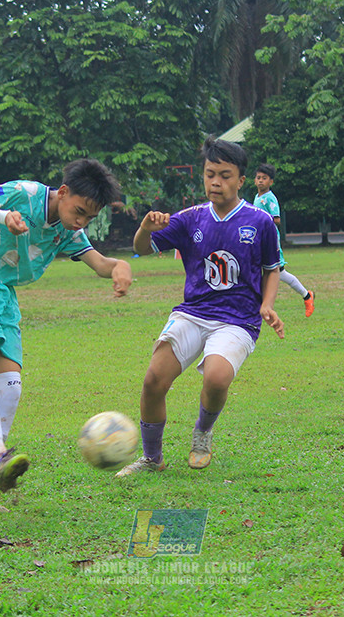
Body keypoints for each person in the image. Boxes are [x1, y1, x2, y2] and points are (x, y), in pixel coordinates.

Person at [0, 160, 133, 511]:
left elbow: (99, 263)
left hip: (3, 296)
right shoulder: (24, 193)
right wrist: (2, 216)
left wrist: (119, 266)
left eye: (90, 218)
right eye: (79, 211)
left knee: (10, 387)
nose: (81, 222)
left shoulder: (69, 232)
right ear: (63, 192)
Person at [115, 138, 285, 477]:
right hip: (192, 313)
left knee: (217, 377)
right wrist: (145, 228)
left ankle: (203, 433)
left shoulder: (260, 221)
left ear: (241, 180)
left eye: (225, 175)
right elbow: (142, 248)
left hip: (238, 320)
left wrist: (267, 305)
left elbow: (272, 268)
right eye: (210, 175)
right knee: (153, 379)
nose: (215, 182)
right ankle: (151, 458)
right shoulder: (190, 218)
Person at [252, 163, 315, 317]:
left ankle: (307, 296)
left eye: (264, 178)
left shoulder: (269, 198)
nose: (260, 181)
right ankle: (256, 305)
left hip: (270, 241)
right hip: (259, 241)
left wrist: (262, 220)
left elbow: (277, 219)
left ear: (271, 182)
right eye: (258, 178)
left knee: (279, 273)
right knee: (256, 270)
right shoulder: (257, 197)